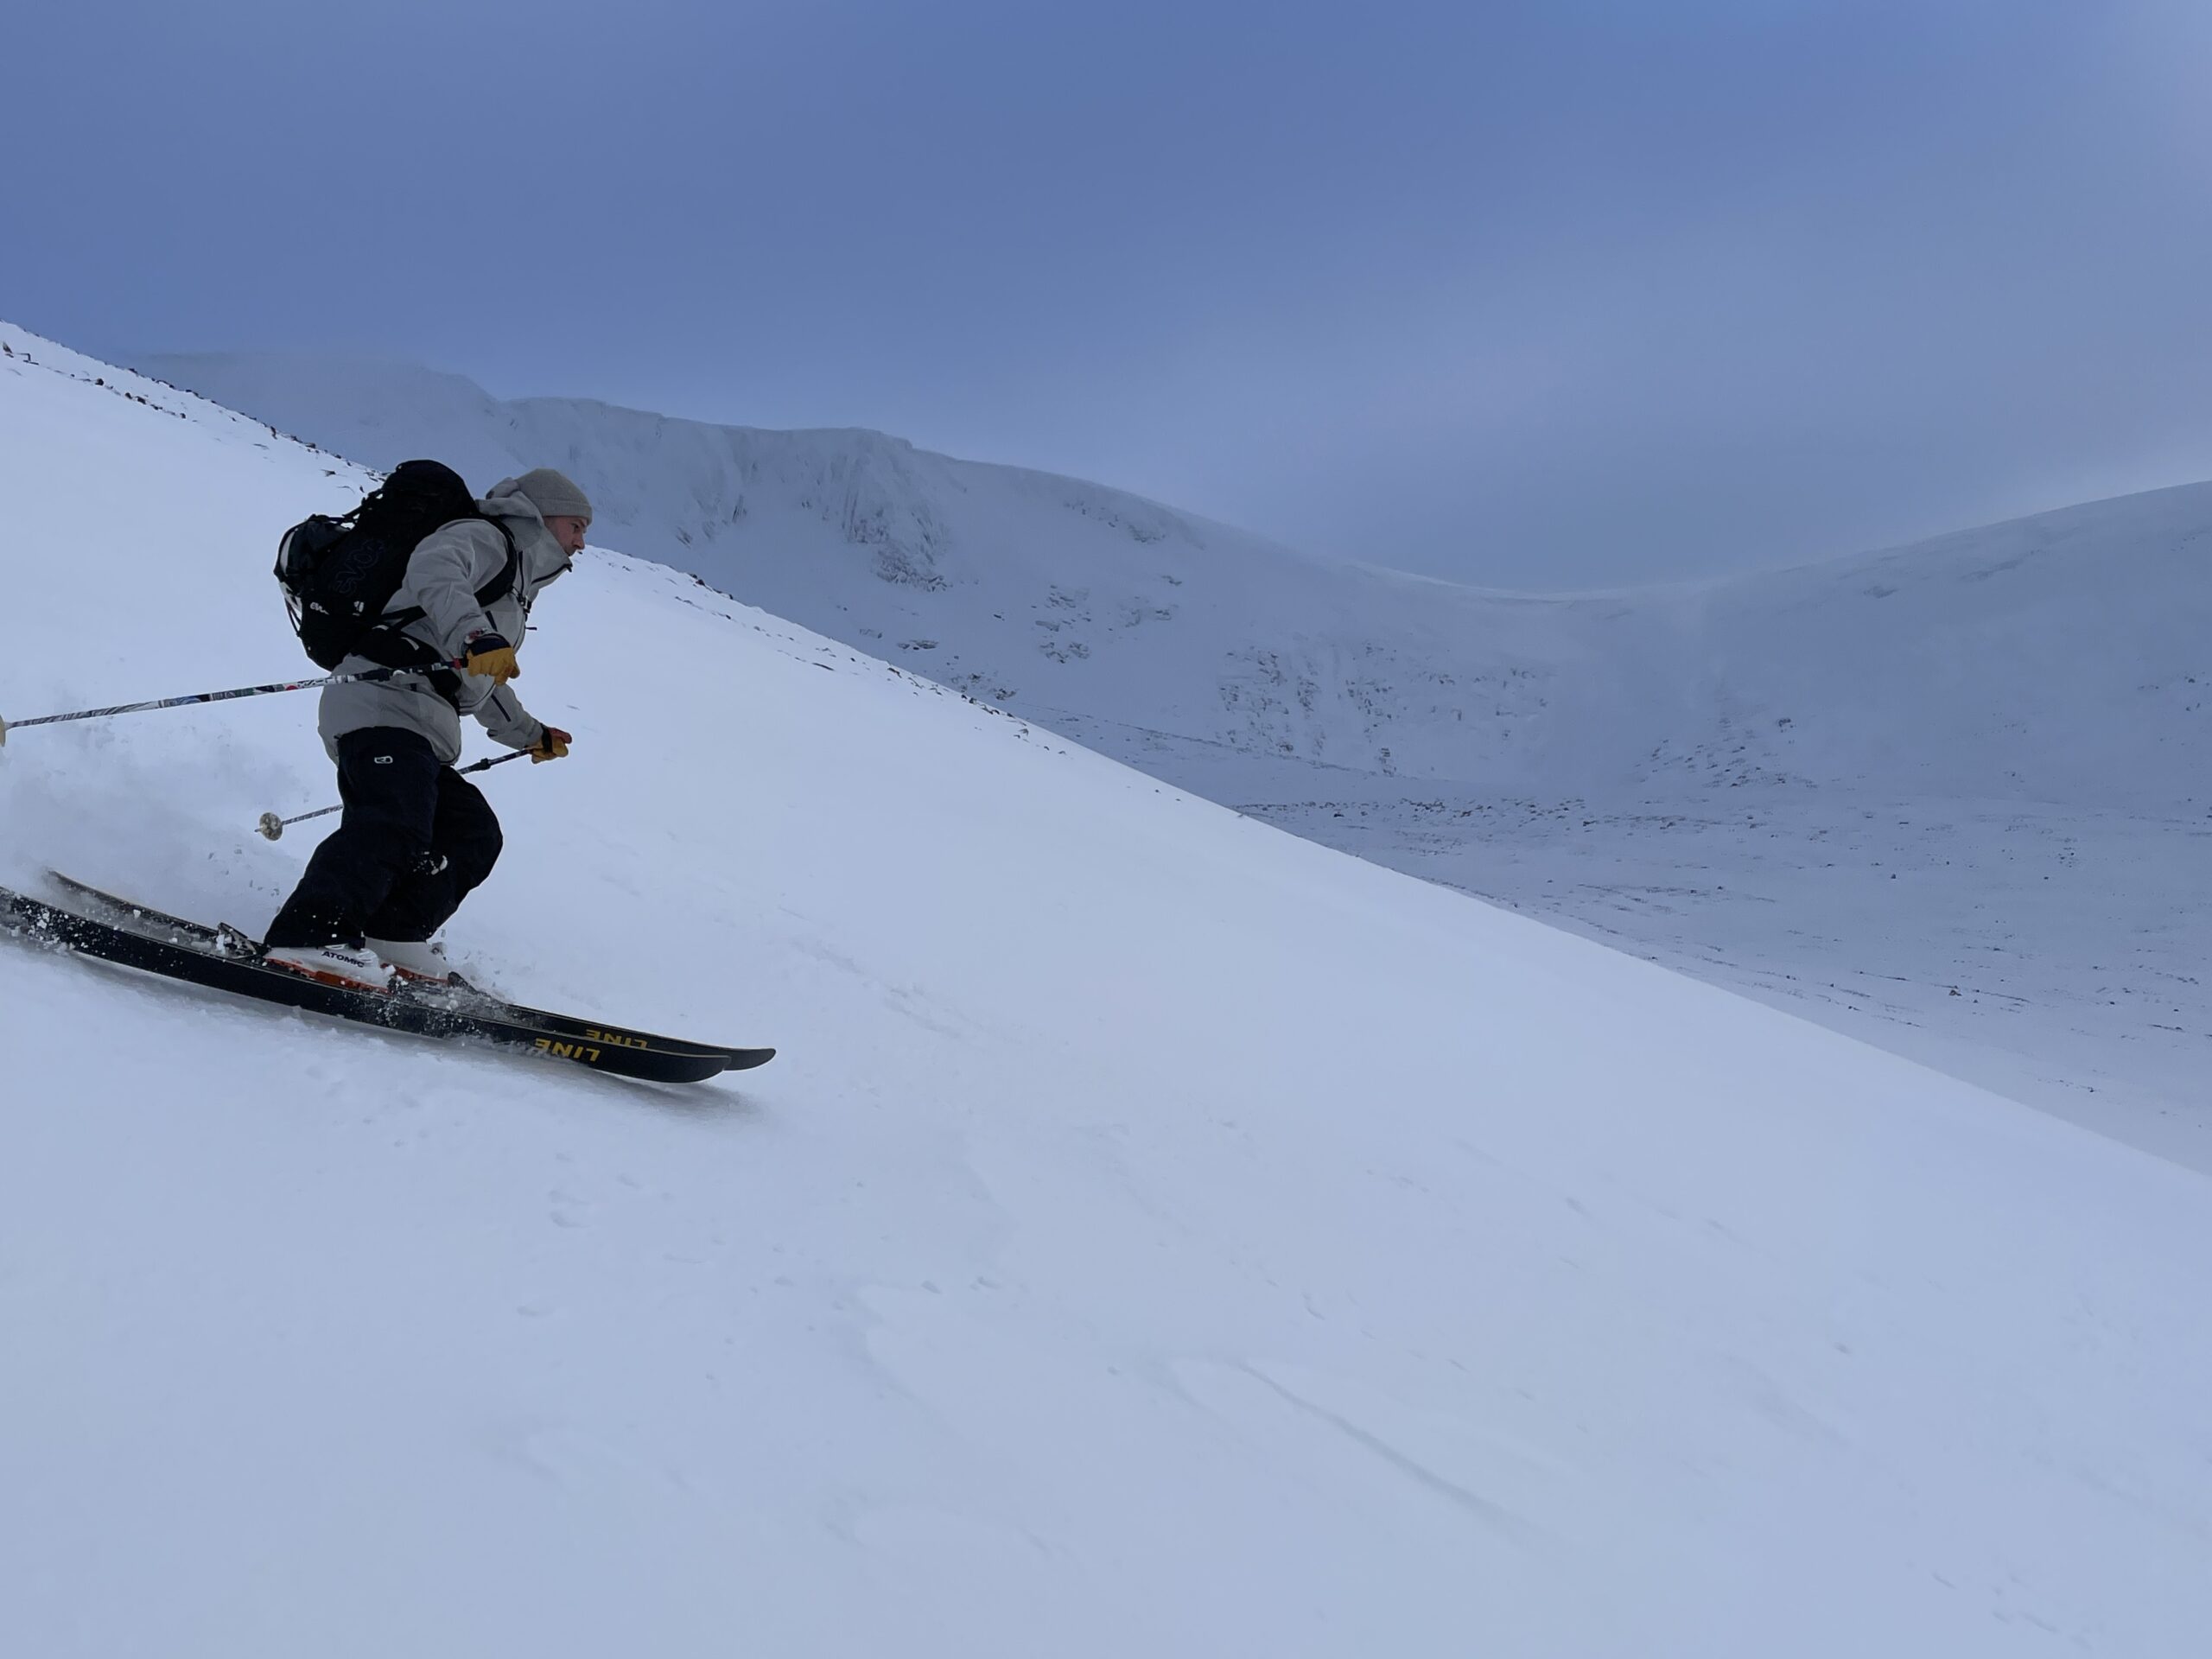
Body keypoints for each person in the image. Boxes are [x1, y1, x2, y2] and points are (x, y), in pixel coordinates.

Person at [261, 468, 592, 990]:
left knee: (472, 832)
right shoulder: (489, 537)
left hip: (420, 719)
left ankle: (391, 932)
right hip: (380, 699)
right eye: (577, 526)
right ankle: (309, 934)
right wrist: (476, 634)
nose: (581, 543)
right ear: (544, 515)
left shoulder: (513, 586)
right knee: (393, 821)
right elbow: (433, 566)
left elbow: (476, 678)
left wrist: (530, 733)